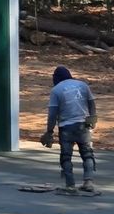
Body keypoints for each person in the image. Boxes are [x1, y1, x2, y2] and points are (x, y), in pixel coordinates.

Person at [40, 65, 98, 195]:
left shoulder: (56, 90)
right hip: (83, 125)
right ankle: (88, 182)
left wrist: (49, 131)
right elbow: (91, 102)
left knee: (66, 157)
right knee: (87, 154)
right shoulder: (82, 85)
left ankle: (70, 185)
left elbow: (52, 113)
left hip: (66, 127)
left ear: (56, 78)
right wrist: (93, 119)